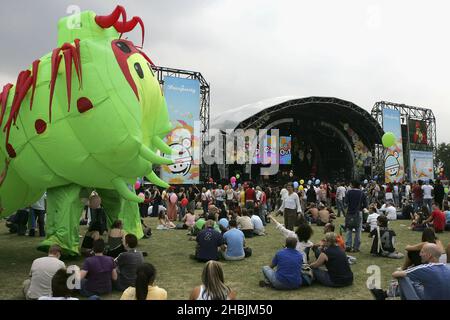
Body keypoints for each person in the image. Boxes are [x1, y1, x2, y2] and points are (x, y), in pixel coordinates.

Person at [371, 243, 450, 300]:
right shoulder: (447, 267)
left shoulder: (425, 268)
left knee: (404, 277)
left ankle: (384, 294)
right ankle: (384, 294)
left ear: (429, 255)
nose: (419, 254)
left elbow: (395, 274)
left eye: (422, 252)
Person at [344, 180, 367, 253]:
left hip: (349, 212)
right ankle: (356, 247)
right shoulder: (362, 193)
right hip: (358, 213)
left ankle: (348, 245)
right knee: (358, 230)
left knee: (349, 229)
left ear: (352, 185)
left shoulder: (349, 192)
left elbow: (345, 203)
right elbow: (365, 205)